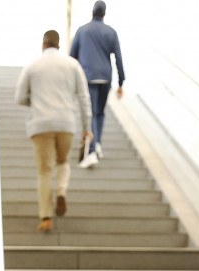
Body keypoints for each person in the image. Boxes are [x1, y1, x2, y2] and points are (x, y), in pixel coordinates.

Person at [15, 30, 92, 232]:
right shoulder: (72, 65)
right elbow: (84, 98)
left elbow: (20, 97)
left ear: (43, 45)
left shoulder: (32, 66)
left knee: (44, 170)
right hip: (66, 123)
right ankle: (61, 191)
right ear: (59, 45)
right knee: (63, 161)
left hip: (40, 124)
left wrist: (38, 101)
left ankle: (46, 217)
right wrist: (87, 128)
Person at [70, 1, 125, 169]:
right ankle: (98, 143)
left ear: (92, 12)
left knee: (92, 112)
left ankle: (92, 150)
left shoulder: (82, 30)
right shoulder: (111, 32)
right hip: (106, 77)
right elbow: (118, 57)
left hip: (88, 77)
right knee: (100, 112)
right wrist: (121, 81)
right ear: (104, 14)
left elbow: (72, 57)